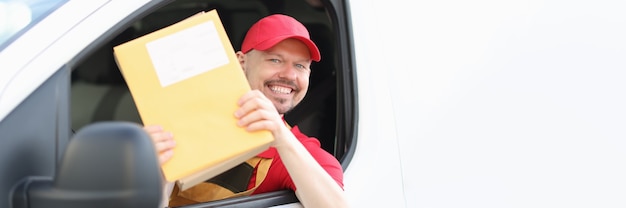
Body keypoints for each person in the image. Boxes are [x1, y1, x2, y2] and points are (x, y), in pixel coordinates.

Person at [144, 14, 348, 208]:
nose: (289, 75)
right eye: (275, 60)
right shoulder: (184, 128)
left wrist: (280, 136)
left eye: (300, 66)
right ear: (241, 62)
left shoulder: (296, 152)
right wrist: (157, 174)